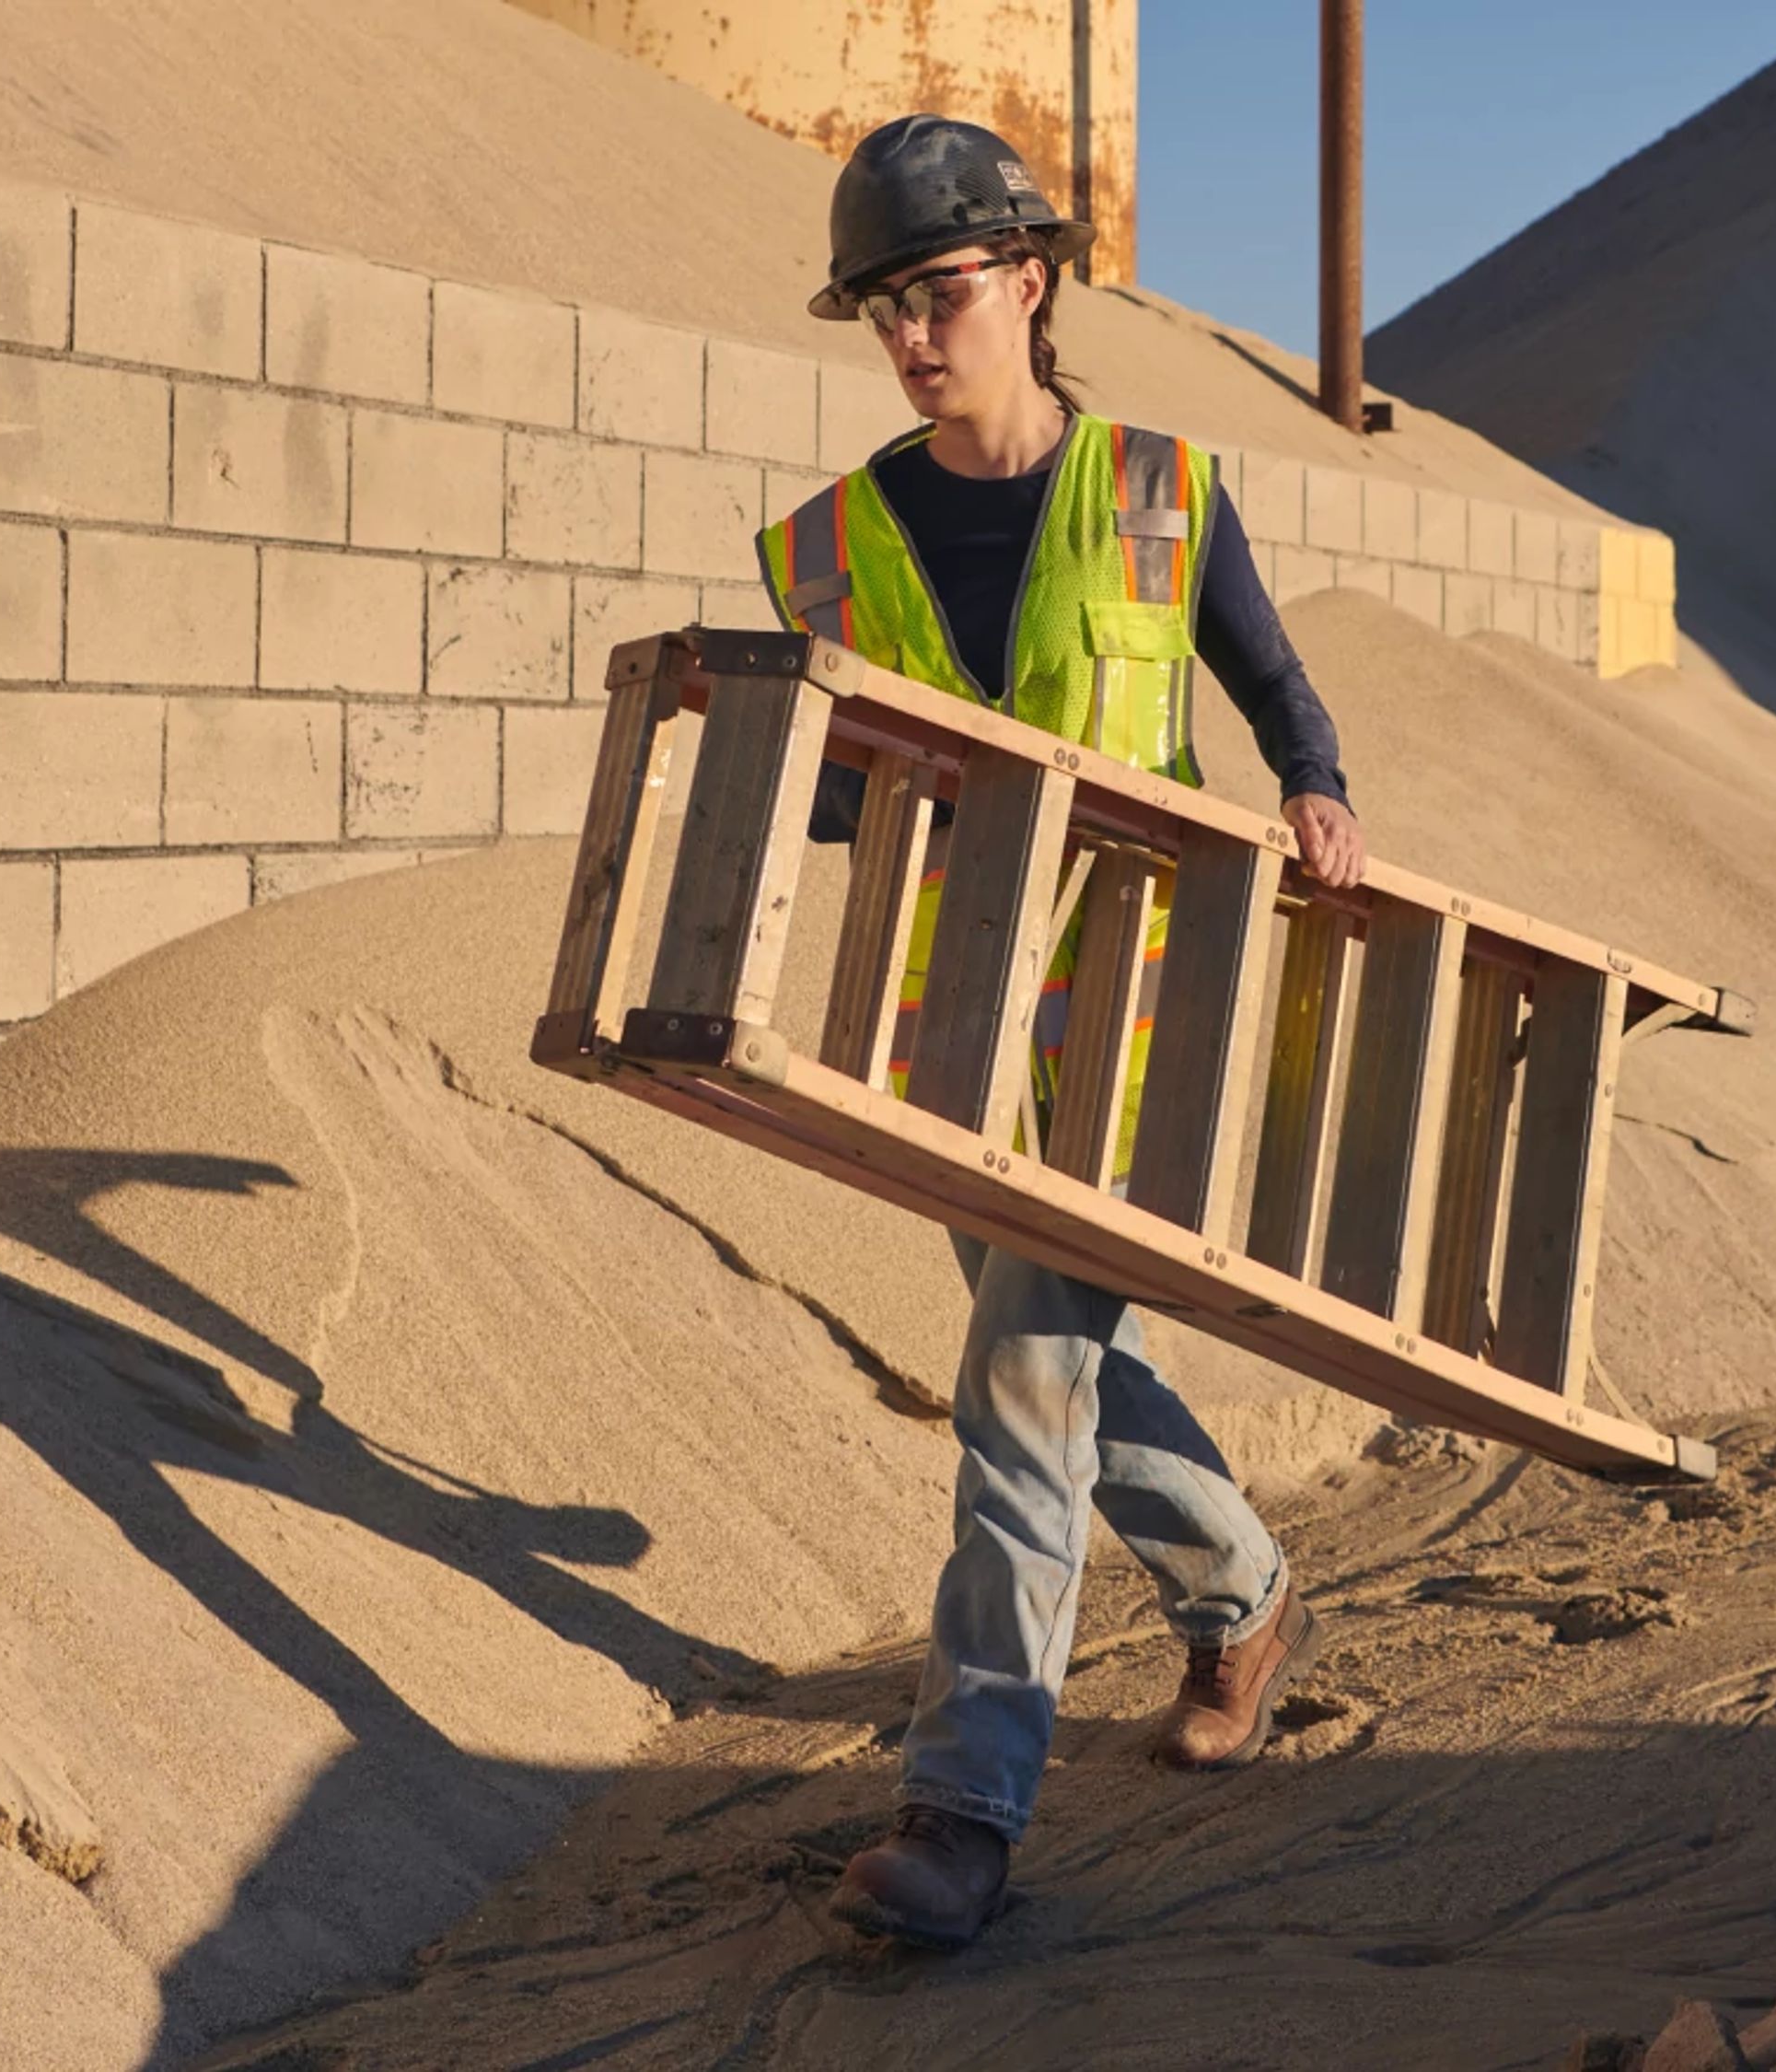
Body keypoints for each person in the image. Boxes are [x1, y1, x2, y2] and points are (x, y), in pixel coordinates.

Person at [760, 115, 1367, 1951]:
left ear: (1027, 280)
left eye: (938, 293)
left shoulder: (1161, 489)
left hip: (1132, 1012)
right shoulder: (834, 541)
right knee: (1057, 1366)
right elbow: (840, 802)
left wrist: (1319, 792)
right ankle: (1242, 1593)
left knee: (1021, 1384)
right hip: (946, 1024)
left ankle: (962, 1807)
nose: (911, 336)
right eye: (881, 308)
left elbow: (1266, 681)